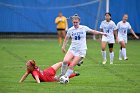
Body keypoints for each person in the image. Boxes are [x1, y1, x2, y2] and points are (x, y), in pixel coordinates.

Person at [60, 14, 107, 81]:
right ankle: (62, 75)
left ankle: (65, 78)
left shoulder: (83, 28)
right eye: (74, 22)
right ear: (72, 22)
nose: (75, 23)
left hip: (81, 50)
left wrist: (102, 33)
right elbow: (66, 38)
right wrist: (63, 46)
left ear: (79, 22)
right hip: (72, 49)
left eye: (76, 22)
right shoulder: (70, 30)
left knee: (71, 65)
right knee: (65, 61)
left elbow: (93, 31)